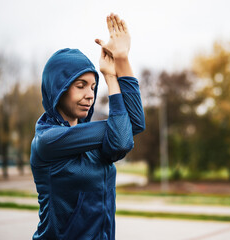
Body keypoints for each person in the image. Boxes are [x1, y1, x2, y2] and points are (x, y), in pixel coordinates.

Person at [30, 13, 145, 240]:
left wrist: (120, 63)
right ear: (58, 89)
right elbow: (123, 136)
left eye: (93, 87)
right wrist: (113, 76)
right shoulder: (48, 141)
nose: (89, 95)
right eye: (80, 86)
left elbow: (136, 124)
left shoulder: (93, 139)